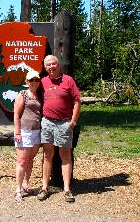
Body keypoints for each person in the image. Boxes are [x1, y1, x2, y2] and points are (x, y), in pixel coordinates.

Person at [37, 55, 81, 203]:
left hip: (64, 123)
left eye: (53, 64)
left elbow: (77, 101)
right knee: (47, 155)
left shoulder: (68, 80)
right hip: (47, 122)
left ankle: (67, 189)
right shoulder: (42, 82)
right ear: (45, 67)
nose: (51, 67)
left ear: (58, 65)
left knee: (65, 155)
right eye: (48, 65)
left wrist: (73, 121)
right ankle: (44, 187)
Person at [13, 70, 42, 202]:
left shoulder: (40, 95)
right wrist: (17, 132)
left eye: (36, 80)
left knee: (30, 159)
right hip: (24, 131)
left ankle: (26, 182)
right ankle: (18, 190)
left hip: (37, 132)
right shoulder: (23, 95)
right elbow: (16, 114)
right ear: (27, 82)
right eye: (31, 80)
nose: (34, 82)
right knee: (22, 161)